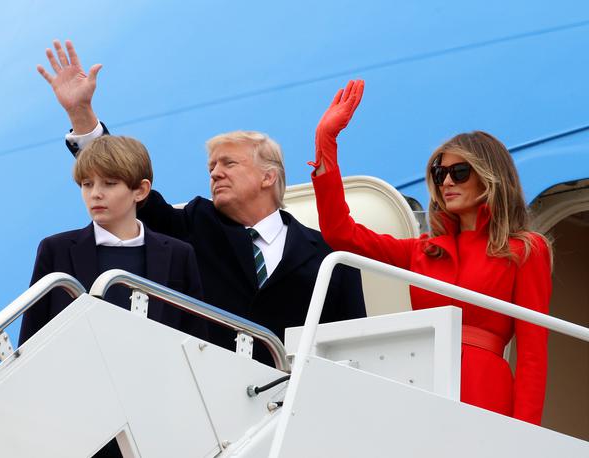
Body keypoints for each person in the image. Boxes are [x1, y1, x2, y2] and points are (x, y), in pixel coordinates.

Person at [36, 40, 366, 365]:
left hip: (294, 403)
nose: (216, 173)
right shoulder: (194, 224)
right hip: (209, 396)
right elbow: (130, 184)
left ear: (268, 177)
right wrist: (82, 115)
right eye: (211, 167)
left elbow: (353, 346)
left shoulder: (328, 254)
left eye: (229, 164)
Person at [310, 79, 552, 425]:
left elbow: (532, 354)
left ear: (490, 176)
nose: (447, 182)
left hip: (484, 391)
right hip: (420, 380)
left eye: (459, 172)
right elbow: (340, 234)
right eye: (440, 174)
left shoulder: (524, 249)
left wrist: (528, 437)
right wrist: (326, 142)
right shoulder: (423, 251)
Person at [18, 135, 206, 347]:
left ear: (141, 190)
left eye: (109, 183)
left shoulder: (178, 254)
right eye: (87, 184)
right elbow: (31, 338)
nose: (95, 194)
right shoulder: (55, 250)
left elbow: (195, 339)